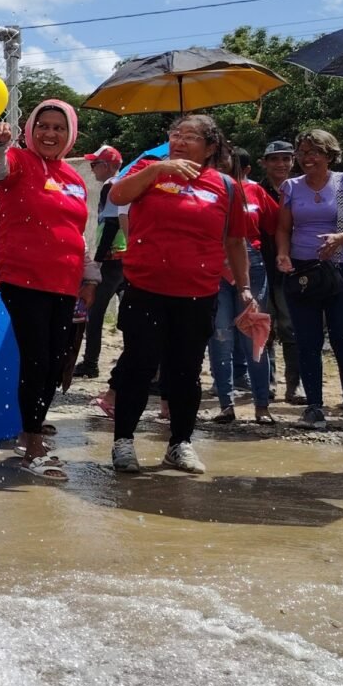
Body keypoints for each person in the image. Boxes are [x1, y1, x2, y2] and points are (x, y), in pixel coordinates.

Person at [104, 114, 254, 474]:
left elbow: (235, 241)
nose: (180, 141)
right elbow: (117, 194)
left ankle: (180, 444)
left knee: (185, 370)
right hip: (145, 288)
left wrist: (245, 287)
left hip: (197, 293)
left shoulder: (226, 186)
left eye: (191, 136)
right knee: (138, 366)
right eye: (176, 134)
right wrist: (158, 171)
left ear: (211, 147)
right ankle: (123, 442)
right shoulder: (148, 169)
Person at [0, 98, 99, 481]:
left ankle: (32, 426)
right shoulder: (19, 161)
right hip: (22, 276)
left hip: (64, 281)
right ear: (32, 130)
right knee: (38, 358)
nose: (50, 133)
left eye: (58, 128)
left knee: (56, 360)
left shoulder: (76, 179)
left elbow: (82, 234)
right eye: (44, 126)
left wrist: (91, 279)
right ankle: (32, 442)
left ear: (70, 134)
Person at [274, 129, 343, 432]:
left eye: (314, 151)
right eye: (302, 152)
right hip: (303, 271)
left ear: (329, 155)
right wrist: (282, 254)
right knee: (308, 341)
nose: (307, 158)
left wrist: (340, 238)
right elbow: (282, 229)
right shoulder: (291, 187)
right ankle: (314, 408)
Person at [206, 147, 278, 424]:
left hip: (252, 264)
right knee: (220, 336)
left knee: (253, 335)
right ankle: (226, 404)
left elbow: (276, 224)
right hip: (213, 267)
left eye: (226, 161)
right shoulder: (206, 190)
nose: (221, 166)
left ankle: (262, 406)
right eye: (216, 162)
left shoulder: (255, 191)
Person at [73, 144, 124, 377]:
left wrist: (98, 260)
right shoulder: (126, 184)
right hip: (127, 257)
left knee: (94, 310)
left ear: (107, 166)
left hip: (113, 257)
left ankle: (91, 363)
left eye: (95, 164)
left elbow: (112, 224)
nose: (92, 169)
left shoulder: (111, 186)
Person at [258, 140, 303, 405]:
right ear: (264, 163)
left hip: (292, 268)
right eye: (274, 159)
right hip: (260, 267)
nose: (280, 164)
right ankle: (267, 384)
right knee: (264, 330)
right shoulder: (253, 191)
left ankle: (294, 386)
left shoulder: (300, 190)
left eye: (286, 159)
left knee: (291, 329)